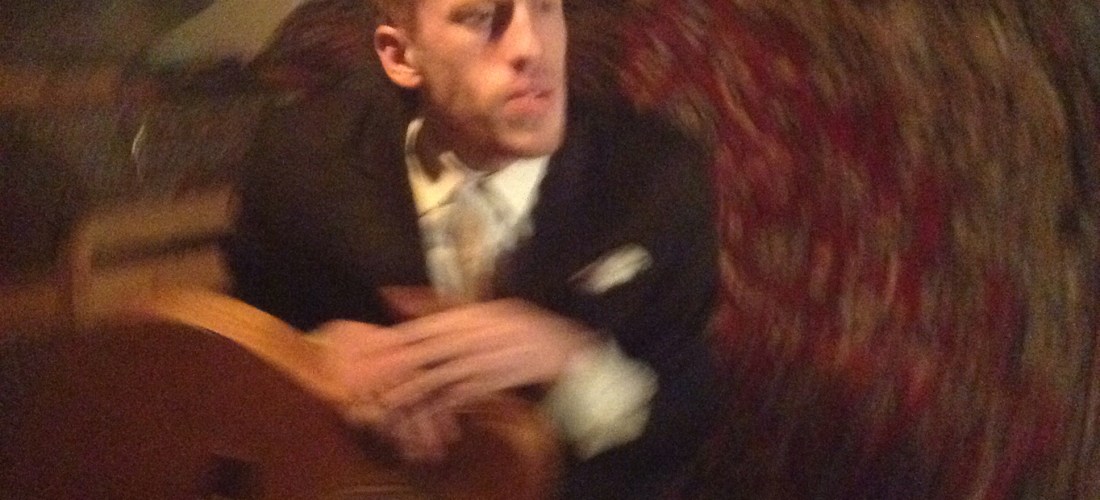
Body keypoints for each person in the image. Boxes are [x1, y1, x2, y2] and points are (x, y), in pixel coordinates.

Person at [225, 0, 722, 497]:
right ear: (401, 56)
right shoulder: (300, 163)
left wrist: (576, 367)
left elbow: (683, 422)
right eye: (480, 17)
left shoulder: (656, 177)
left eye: (545, 8)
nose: (531, 47)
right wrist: (307, 361)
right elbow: (230, 383)